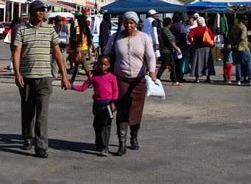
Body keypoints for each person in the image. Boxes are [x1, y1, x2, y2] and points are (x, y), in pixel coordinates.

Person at [13, 0, 70, 159]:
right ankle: (28, 137)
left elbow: (58, 54)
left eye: (43, 10)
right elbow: (16, 52)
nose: (41, 13)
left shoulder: (50, 29)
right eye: (38, 10)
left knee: (42, 114)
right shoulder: (22, 30)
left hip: (45, 78)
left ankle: (41, 146)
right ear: (31, 12)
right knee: (28, 111)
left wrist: (64, 76)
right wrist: (17, 73)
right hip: (26, 78)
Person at [104, 11, 156, 156]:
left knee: (136, 110)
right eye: (126, 22)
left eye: (131, 22)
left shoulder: (144, 37)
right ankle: (122, 143)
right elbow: (107, 53)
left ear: (136, 23)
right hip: (120, 79)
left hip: (138, 80)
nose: (128, 25)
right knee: (122, 110)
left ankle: (134, 137)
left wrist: (152, 71)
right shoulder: (115, 37)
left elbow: (150, 56)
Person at [71, 55, 119, 156]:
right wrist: (71, 86)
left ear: (109, 65)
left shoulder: (112, 77)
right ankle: (99, 143)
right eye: (100, 64)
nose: (102, 66)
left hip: (108, 106)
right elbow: (83, 87)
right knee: (97, 125)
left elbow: (115, 90)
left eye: (105, 65)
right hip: (97, 104)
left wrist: (113, 102)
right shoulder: (94, 77)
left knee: (105, 126)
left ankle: (104, 147)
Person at [229, 14, 251, 86]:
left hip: (236, 47)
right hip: (243, 46)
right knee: (248, 62)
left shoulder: (234, 27)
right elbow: (242, 37)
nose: (247, 21)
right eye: (245, 20)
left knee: (238, 63)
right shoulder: (243, 27)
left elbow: (230, 37)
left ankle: (238, 79)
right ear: (242, 20)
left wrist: (234, 43)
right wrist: (242, 40)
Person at [187, 17, 215, 83]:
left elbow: (189, 36)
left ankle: (197, 78)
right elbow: (213, 37)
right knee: (207, 62)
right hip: (207, 48)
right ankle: (208, 78)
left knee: (197, 62)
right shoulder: (207, 29)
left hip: (197, 47)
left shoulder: (195, 29)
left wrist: (192, 43)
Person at [157, 17, 181, 85]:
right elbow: (171, 41)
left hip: (168, 50)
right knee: (164, 66)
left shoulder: (163, 30)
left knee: (173, 65)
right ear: (170, 23)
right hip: (166, 51)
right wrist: (177, 49)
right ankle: (156, 79)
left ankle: (174, 80)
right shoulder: (166, 30)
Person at [70, 14, 93, 82]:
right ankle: (72, 80)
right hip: (85, 48)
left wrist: (76, 46)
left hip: (80, 49)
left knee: (84, 65)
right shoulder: (86, 28)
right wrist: (93, 47)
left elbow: (78, 39)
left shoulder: (78, 28)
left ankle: (91, 79)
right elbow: (90, 39)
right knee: (77, 65)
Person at [171, 12, 188, 82]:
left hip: (173, 45)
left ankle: (173, 76)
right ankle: (179, 77)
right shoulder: (181, 26)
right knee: (180, 62)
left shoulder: (172, 26)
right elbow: (183, 36)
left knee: (174, 62)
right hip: (180, 46)